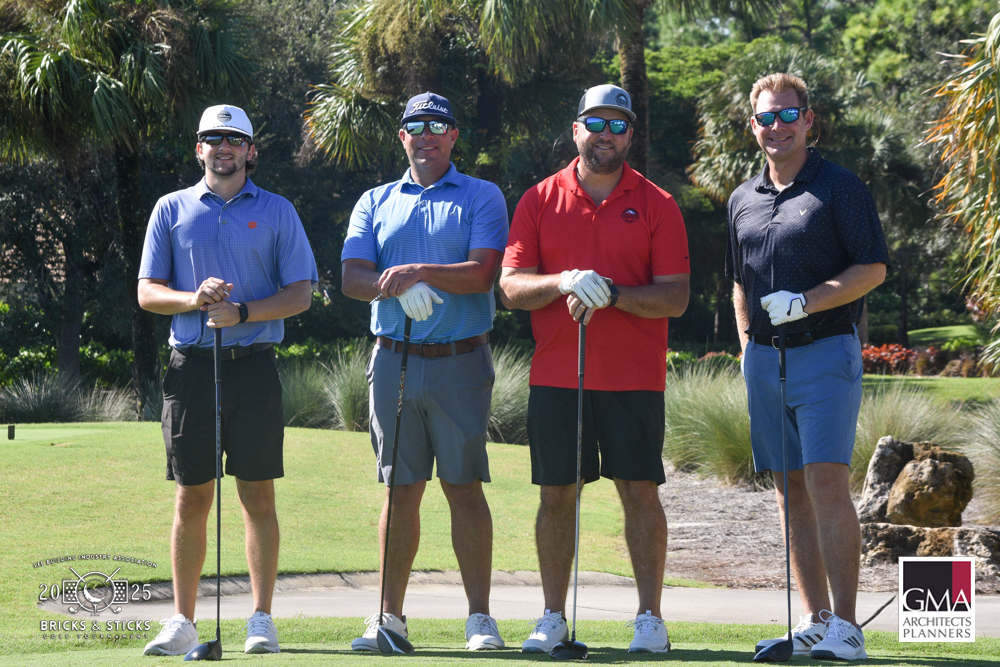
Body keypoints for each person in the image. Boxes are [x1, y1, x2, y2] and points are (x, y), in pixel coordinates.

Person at [498, 84, 690, 654]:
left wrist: (612, 293)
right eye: (596, 123)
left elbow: (675, 297)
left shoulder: (657, 203)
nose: (606, 135)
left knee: (639, 490)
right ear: (577, 129)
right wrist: (562, 281)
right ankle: (553, 616)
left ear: (630, 135)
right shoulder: (539, 198)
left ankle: (650, 619)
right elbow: (510, 287)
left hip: (633, 378)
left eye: (618, 125)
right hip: (557, 376)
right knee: (557, 494)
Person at [137, 104, 317, 656]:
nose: (224, 147)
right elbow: (148, 292)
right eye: (213, 138)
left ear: (250, 150)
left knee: (257, 494)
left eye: (234, 139)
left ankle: (261, 619)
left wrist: (242, 313)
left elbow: (300, 293)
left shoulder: (279, 210)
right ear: (199, 148)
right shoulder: (171, 209)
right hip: (191, 369)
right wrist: (193, 299)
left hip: (254, 368)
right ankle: (183, 622)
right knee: (192, 497)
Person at [727, 73, 888, 661]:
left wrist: (808, 301)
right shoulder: (742, 199)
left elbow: (872, 268)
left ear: (807, 119)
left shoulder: (839, 187)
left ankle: (847, 627)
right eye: (766, 118)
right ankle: (815, 621)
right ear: (754, 126)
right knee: (787, 487)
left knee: (824, 480)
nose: (778, 127)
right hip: (765, 360)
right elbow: (739, 282)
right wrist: (747, 346)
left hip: (825, 350)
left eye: (788, 115)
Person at [341, 91, 509, 652]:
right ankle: (388, 617)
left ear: (453, 136)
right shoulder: (374, 200)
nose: (427, 136)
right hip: (393, 360)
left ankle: (479, 619)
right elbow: (353, 277)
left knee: (464, 487)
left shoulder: (481, 195)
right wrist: (393, 286)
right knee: (400, 488)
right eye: (417, 126)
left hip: (461, 360)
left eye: (439, 126)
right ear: (403, 136)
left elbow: (482, 273)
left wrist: (418, 272)